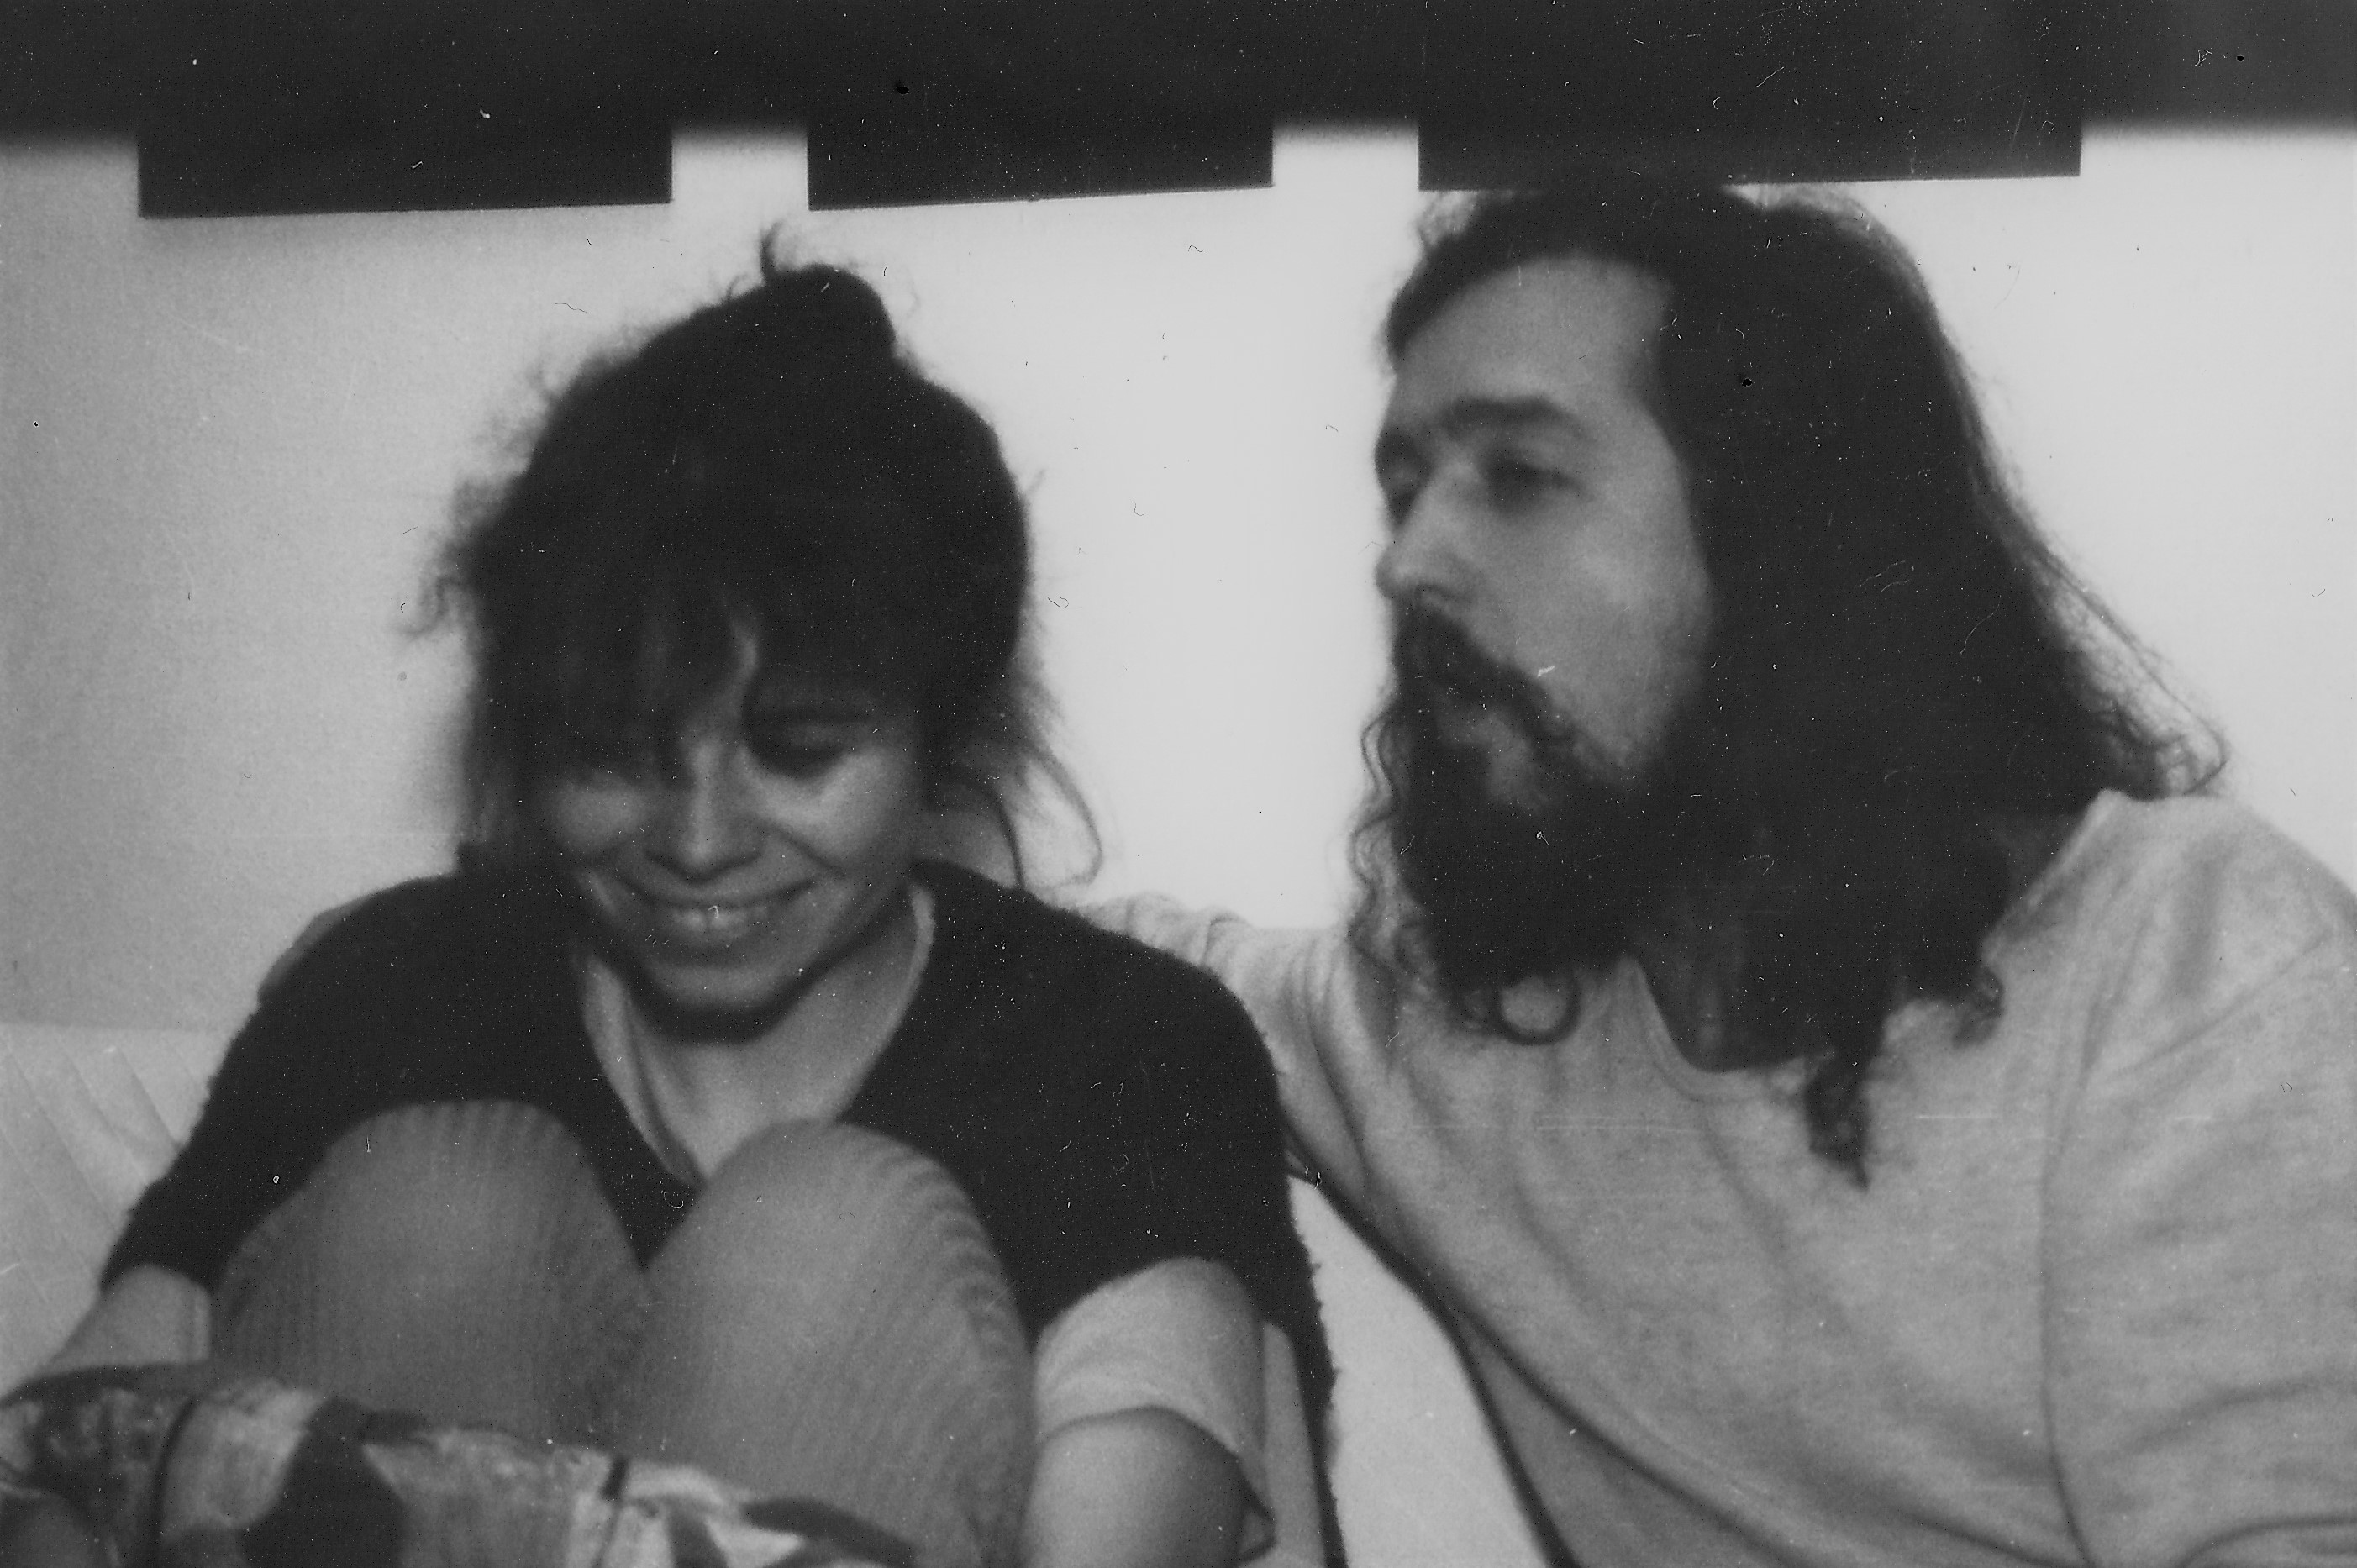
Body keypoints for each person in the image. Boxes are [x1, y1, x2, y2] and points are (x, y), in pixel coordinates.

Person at [1103, 169, 2357, 1565]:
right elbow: (1104, 969)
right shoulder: (1467, 1037)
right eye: (1403, 491)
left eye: (1517, 476)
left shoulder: (2190, 957)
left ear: (1777, 534)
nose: (1407, 562)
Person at [7, 252, 1333, 1568]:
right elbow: (51, 1467)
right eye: (611, 753)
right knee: (443, 1207)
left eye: (797, 751)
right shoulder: (388, 988)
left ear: (939, 734)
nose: (697, 842)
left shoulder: (1117, 1044)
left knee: (817, 1235)